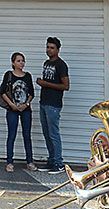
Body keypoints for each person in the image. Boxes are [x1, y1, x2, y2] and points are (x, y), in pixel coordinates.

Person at [37, 36, 69, 174]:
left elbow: (66, 86)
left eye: (52, 48)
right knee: (47, 133)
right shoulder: (46, 63)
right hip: (43, 102)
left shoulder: (61, 65)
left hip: (53, 104)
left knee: (54, 133)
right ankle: (51, 160)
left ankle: (58, 163)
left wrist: (45, 84)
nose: (49, 50)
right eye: (47, 47)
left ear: (58, 49)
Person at [0, 52, 36, 172]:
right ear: (13, 63)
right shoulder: (9, 75)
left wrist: (26, 104)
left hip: (25, 109)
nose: (21, 63)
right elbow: (3, 92)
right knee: (11, 134)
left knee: (27, 135)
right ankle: (9, 162)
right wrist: (12, 105)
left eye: (23, 61)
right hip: (12, 109)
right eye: (19, 61)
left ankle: (30, 161)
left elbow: (31, 93)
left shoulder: (27, 76)